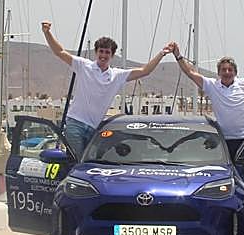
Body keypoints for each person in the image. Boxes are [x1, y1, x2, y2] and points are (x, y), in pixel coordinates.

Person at [41, 21, 173, 158]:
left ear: (112, 55)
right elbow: (59, 52)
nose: (103, 55)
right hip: (76, 124)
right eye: (101, 51)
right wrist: (47, 32)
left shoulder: (117, 75)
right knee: (78, 161)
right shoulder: (83, 66)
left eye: (107, 52)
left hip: (95, 129)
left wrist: (162, 53)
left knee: (93, 161)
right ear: (96, 52)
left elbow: (145, 71)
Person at [171, 44, 244, 160]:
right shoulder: (212, 85)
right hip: (222, 140)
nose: (227, 72)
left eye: (230, 69)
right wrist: (178, 55)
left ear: (235, 72)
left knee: (243, 172)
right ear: (218, 73)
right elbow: (190, 72)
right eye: (223, 70)